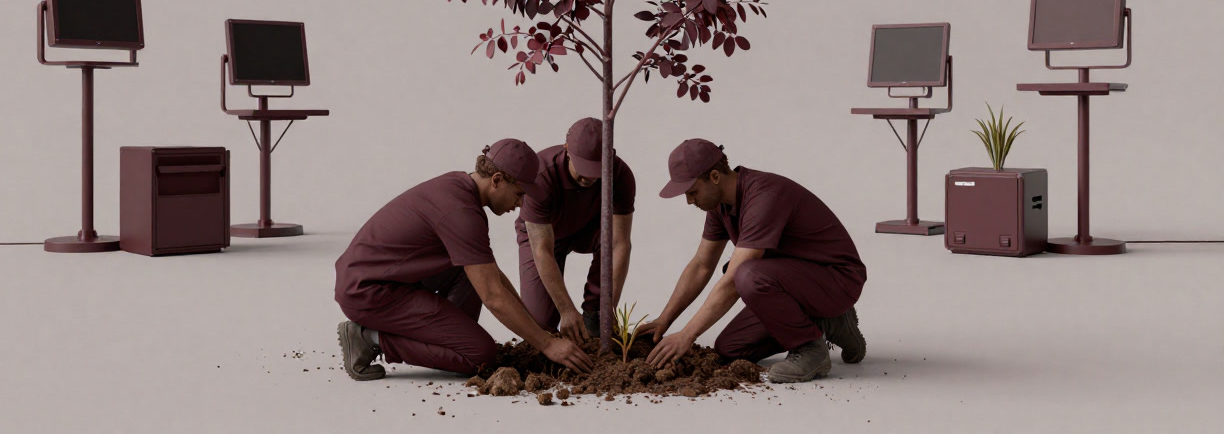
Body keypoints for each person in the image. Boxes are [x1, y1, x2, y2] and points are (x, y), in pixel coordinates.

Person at [333, 138, 593, 381]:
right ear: (497, 179)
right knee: (479, 356)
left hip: (386, 280)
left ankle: (448, 338)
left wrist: (536, 329)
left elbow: (493, 277)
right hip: (368, 292)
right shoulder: (461, 213)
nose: (521, 204)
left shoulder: (459, 187)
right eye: (519, 193)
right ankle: (369, 338)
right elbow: (493, 296)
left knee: (472, 275)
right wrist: (547, 344)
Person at [638, 138, 868, 384]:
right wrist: (665, 319)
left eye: (692, 192)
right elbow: (701, 265)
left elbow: (733, 281)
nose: (689, 201)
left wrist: (687, 335)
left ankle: (811, 349)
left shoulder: (763, 196)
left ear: (714, 176)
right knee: (731, 349)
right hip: (797, 284)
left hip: (837, 280)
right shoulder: (719, 206)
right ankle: (829, 322)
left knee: (745, 274)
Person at [516, 117, 636, 345]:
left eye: (596, 170)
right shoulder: (541, 175)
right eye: (582, 168)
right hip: (543, 235)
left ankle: (594, 312)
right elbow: (542, 249)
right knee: (539, 323)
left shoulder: (620, 175)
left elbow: (620, 242)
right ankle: (557, 325)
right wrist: (567, 310)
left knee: (609, 240)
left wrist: (607, 306)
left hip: (588, 230)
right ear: (567, 150)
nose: (588, 177)